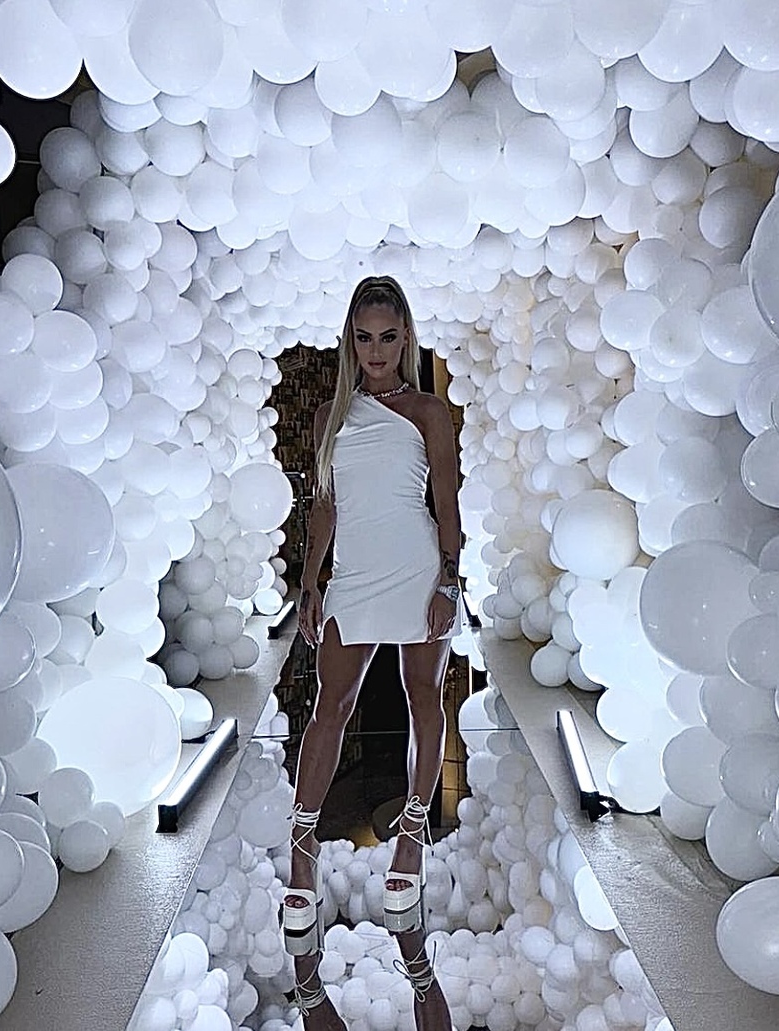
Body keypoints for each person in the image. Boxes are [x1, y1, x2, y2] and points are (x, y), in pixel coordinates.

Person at [286, 276, 461, 1027]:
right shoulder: (331, 414)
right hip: (354, 575)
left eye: (389, 337)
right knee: (332, 705)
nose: (377, 351)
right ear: (350, 341)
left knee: (425, 698)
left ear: (406, 338)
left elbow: (446, 502)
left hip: (417, 567)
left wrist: (449, 577)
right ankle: (302, 847)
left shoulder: (429, 412)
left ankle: (411, 839)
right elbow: (325, 505)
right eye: (365, 338)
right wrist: (309, 581)